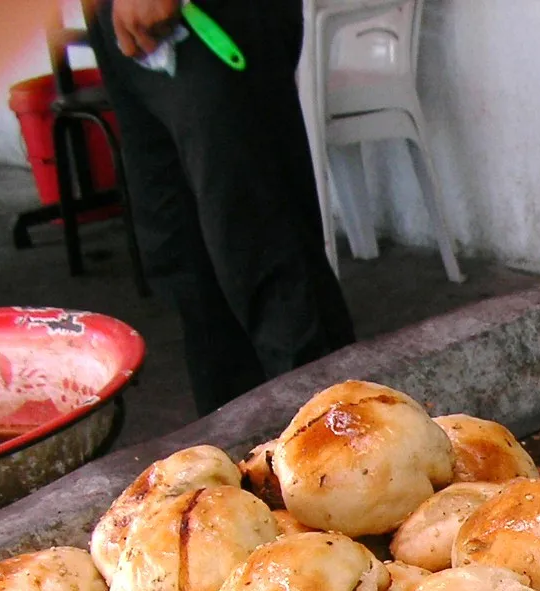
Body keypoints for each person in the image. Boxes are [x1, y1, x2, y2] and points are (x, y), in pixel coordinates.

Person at [89, 0, 354, 413]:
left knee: (264, 256)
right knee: (188, 268)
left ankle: (341, 437)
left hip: (208, 15)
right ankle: (243, 446)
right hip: (116, 23)